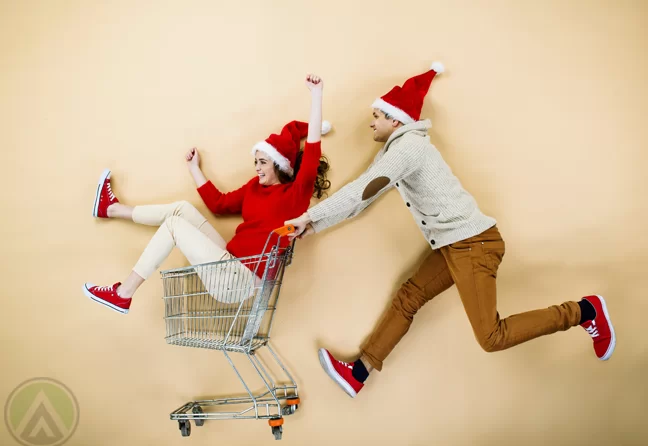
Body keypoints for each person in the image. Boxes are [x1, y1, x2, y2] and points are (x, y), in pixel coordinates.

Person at [285, 62, 616, 398]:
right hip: (455, 245)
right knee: (410, 296)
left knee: (491, 337)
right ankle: (359, 372)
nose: (371, 120)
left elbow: (362, 189)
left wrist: (310, 218)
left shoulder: (409, 148)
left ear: (396, 119)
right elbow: (366, 195)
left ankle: (585, 310)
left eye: (377, 115)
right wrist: (315, 224)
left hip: (473, 245)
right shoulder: (397, 150)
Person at [83, 74, 332, 314]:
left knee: (173, 225)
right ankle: (111, 208)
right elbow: (219, 204)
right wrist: (194, 169)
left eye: (263, 162)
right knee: (181, 209)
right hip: (228, 262)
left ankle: (123, 293)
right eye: (255, 161)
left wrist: (316, 94)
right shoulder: (254, 188)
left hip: (238, 279)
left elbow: (311, 151)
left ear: (279, 165)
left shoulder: (295, 194)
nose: (257, 167)